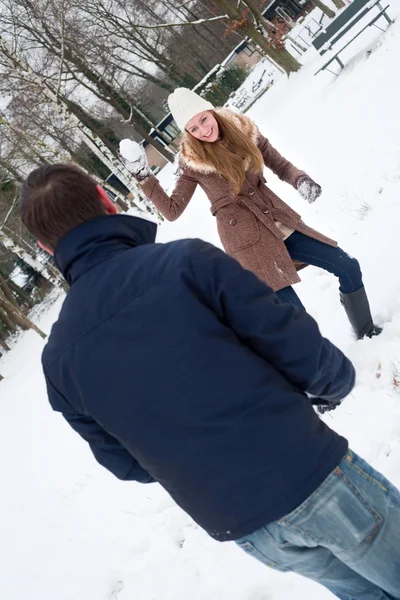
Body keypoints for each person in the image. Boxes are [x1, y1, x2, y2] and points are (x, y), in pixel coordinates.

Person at [19, 163, 400, 599]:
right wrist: (335, 380)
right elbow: (289, 340)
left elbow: (126, 463)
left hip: (243, 526)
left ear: (46, 246)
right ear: (107, 200)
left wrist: (195, 458)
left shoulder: (59, 361)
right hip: (305, 473)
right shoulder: (184, 262)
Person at [119, 87, 381, 340]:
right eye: (193, 128)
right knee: (295, 317)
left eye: (203, 119)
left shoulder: (245, 131)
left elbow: (279, 164)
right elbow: (172, 210)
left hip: (279, 222)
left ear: (212, 112)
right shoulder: (192, 163)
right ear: (187, 133)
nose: (203, 130)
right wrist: (143, 176)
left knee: (347, 266)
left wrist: (300, 180)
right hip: (248, 243)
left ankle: (367, 332)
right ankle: (319, 374)